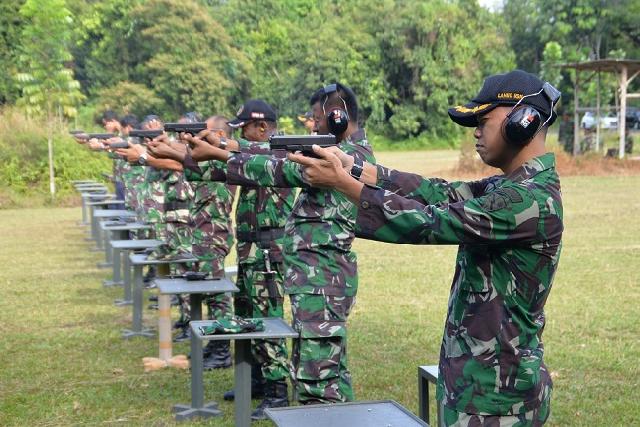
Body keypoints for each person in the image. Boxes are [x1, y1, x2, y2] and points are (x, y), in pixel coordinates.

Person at [288, 70, 564, 426]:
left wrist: (343, 185)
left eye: (484, 120)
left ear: (523, 121)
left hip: (498, 397)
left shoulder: (527, 199)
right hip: (481, 382)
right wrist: (355, 167)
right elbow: (440, 193)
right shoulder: (510, 186)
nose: (476, 131)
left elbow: (431, 222)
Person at [185, 83, 376, 406]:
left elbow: (280, 166)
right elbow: (275, 153)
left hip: (323, 277)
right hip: (316, 277)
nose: (313, 126)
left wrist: (222, 153)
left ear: (339, 118)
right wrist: (230, 145)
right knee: (326, 368)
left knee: (318, 380)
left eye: (317, 119)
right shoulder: (340, 151)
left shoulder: (350, 157)